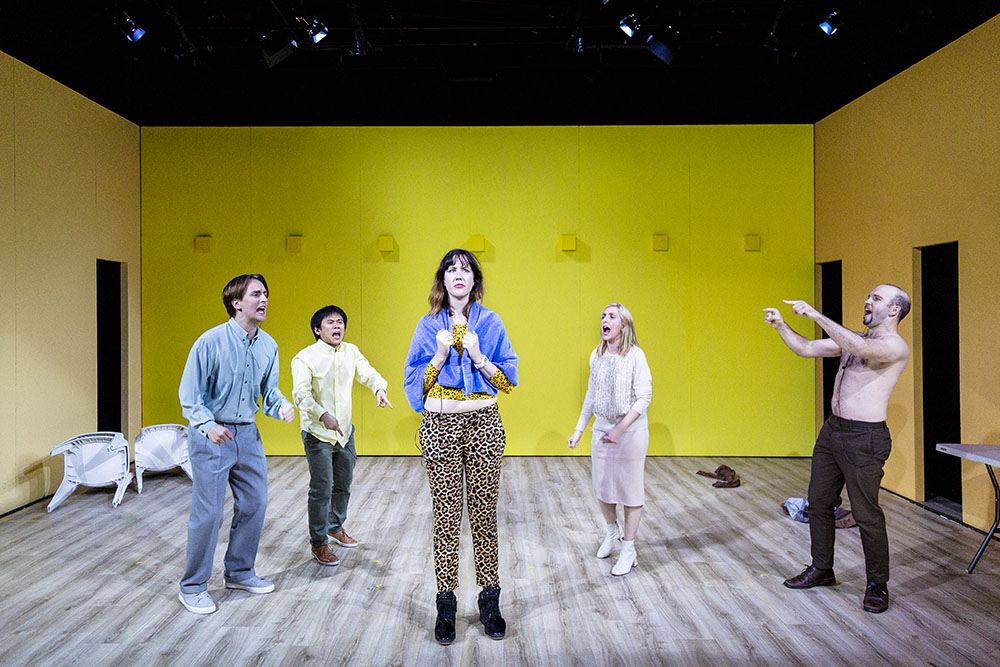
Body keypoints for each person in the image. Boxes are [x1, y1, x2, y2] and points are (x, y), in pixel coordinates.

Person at [763, 284, 910, 614]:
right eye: (868, 295)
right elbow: (806, 348)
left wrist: (815, 314)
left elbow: (859, 346)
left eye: (876, 298)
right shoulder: (854, 341)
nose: (867, 300)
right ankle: (822, 568)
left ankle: (877, 584)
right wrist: (782, 325)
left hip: (864, 438)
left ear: (894, 310)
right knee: (818, 502)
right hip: (834, 431)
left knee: (866, 513)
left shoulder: (894, 346)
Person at [403, 249, 518, 644]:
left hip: (485, 423)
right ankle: (446, 606)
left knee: (485, 517)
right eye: (451, 269)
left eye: (465, 269)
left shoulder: (491, 322)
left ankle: (490, 603)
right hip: (439, 424)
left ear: (475, 281)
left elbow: (508, 382)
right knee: (446, 519)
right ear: (442, 279)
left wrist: (479, 356)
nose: (458, 275)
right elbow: (414, 389)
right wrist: (437, 355)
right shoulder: (426, 325)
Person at [177, 274, 296, 614]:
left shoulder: (268, 345)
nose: (264, 300)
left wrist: (281, 406)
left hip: (248, 434)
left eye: (266, 294)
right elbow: (190, 395)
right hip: (212, 435)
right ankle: (193, 585)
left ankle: (240, 572)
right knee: (209, 512)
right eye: (256, 294)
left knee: (255, 503)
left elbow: (268, 394)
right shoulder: (210, 342)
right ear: (236, 302)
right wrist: (206, 425)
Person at [291, 305, 393, 567]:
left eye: (340, 322)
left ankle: (334, 526)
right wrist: (323, 414)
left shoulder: (351, 351)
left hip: (345, 432)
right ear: (317, 329)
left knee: (343, 484)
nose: (337, 326)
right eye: (330, 322)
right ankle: (318, 543)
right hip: (318, 434)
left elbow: (367, 373)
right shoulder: (305, 358)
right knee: (321, 488)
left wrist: (379, 388)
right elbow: (301, 395)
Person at [567, 303, 653, 576]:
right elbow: (591, 396)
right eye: (603, 315)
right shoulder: (597, 355)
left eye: (611, 316)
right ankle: (611, 531)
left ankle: (629, 549)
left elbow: (644, 398)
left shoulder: (636, 356)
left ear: (623, 325)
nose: (604, 320)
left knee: (630, 491)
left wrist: (620, 429)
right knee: (603, 488)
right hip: (603, 431)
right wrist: (580, 429)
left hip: (631, 433)